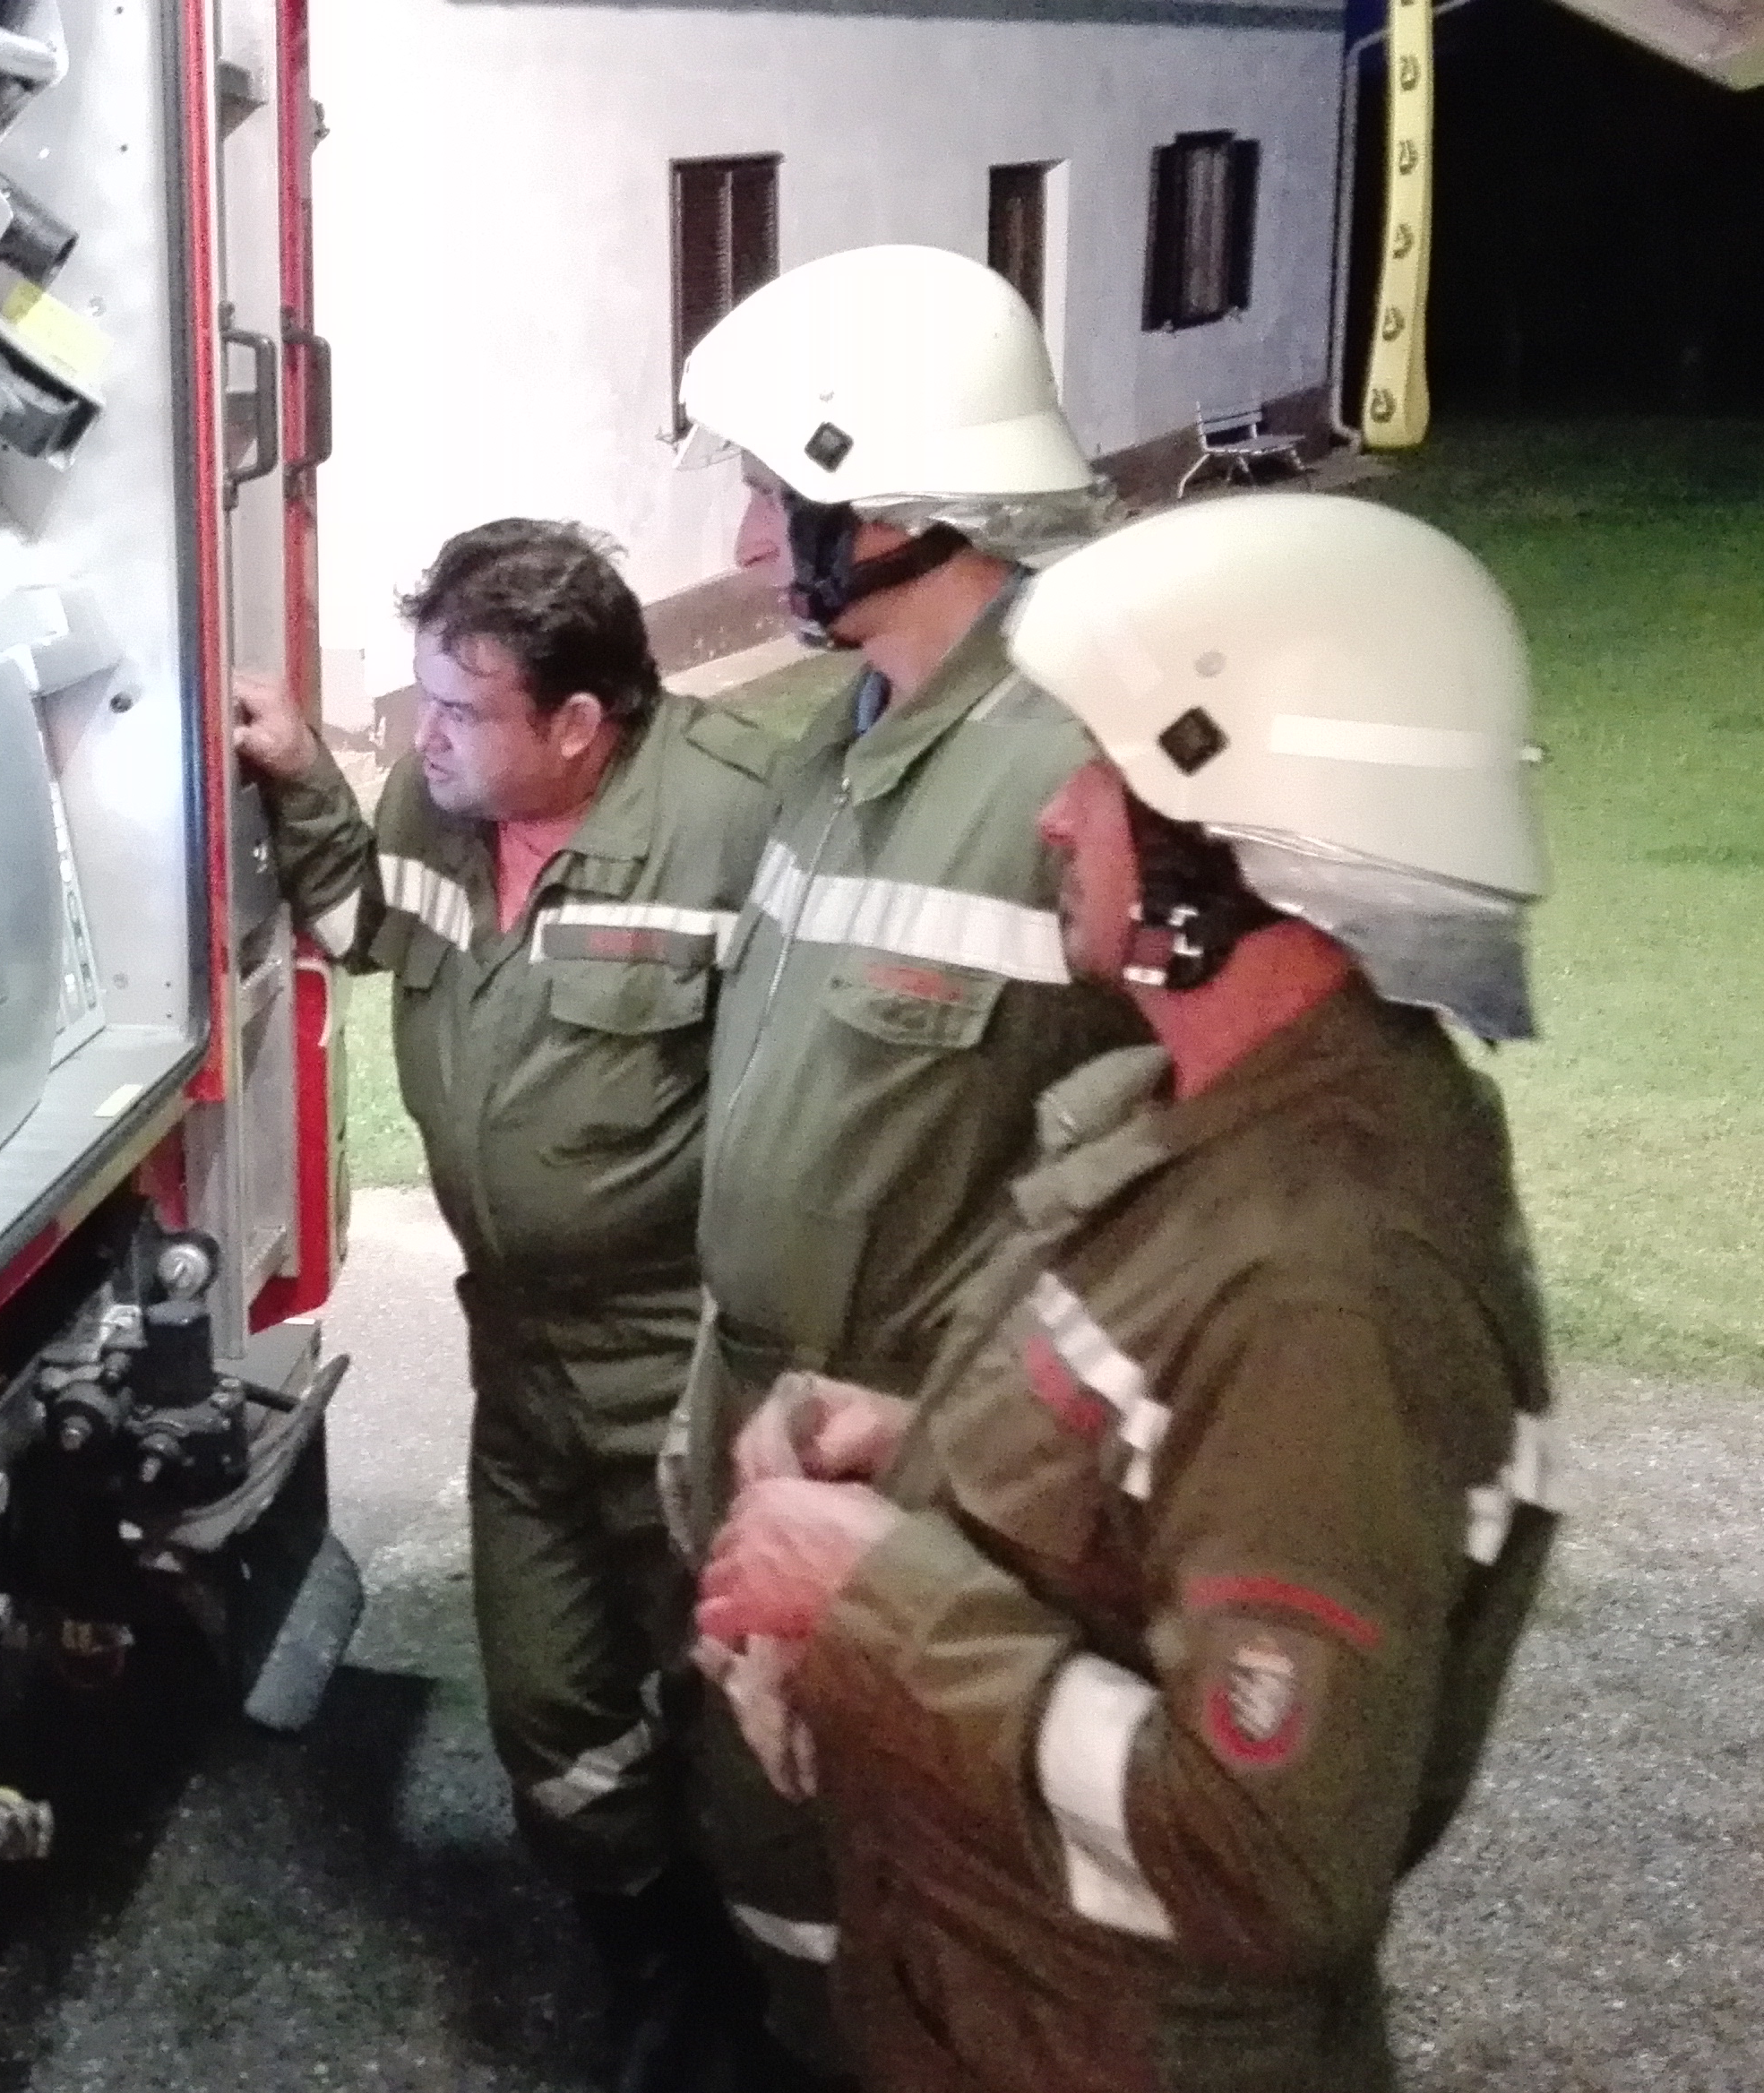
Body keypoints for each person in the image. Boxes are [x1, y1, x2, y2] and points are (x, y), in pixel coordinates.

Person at [693, 491, 1564, 2091]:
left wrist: (873, 1594)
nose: (1054, 818)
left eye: (1102, 775)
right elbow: (1153, 1468)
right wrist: (916, 1448)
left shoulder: (1331, 1291)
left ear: (1226, 849)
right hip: (991, 2000)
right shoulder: (1207, 1118)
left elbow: (1263, 1856)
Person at [658, 244, 1150, 2071]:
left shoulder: (1072, 783)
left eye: (770, 492)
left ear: (887, 508)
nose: (742, 539)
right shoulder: (840, 744)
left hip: (923, 1476)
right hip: (757, 1411)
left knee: (907, 1884)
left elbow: (1152, 1199)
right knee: (770, 1834)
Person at [233, 520, 783, 2090]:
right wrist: (303, 777)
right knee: (550, 1705)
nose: (426, 738)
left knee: (747, 1719)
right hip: (520, 1358)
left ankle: (767, 2012)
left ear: (581, 724)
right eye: (424, 700)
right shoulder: (444, 798)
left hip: (684, 1364)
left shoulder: (739, 822)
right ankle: (644, 1962)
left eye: (463, 712)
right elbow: (368, 924)